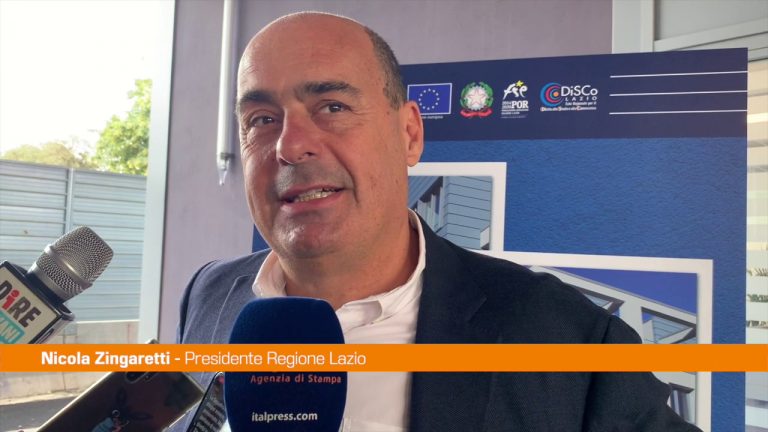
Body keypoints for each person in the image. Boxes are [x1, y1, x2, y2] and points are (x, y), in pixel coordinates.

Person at [176, 12, 701, 431]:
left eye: (332, 107)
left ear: (409, 135)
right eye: (261, 120)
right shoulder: (209, 294)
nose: (290, 146)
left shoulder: (569, 339)